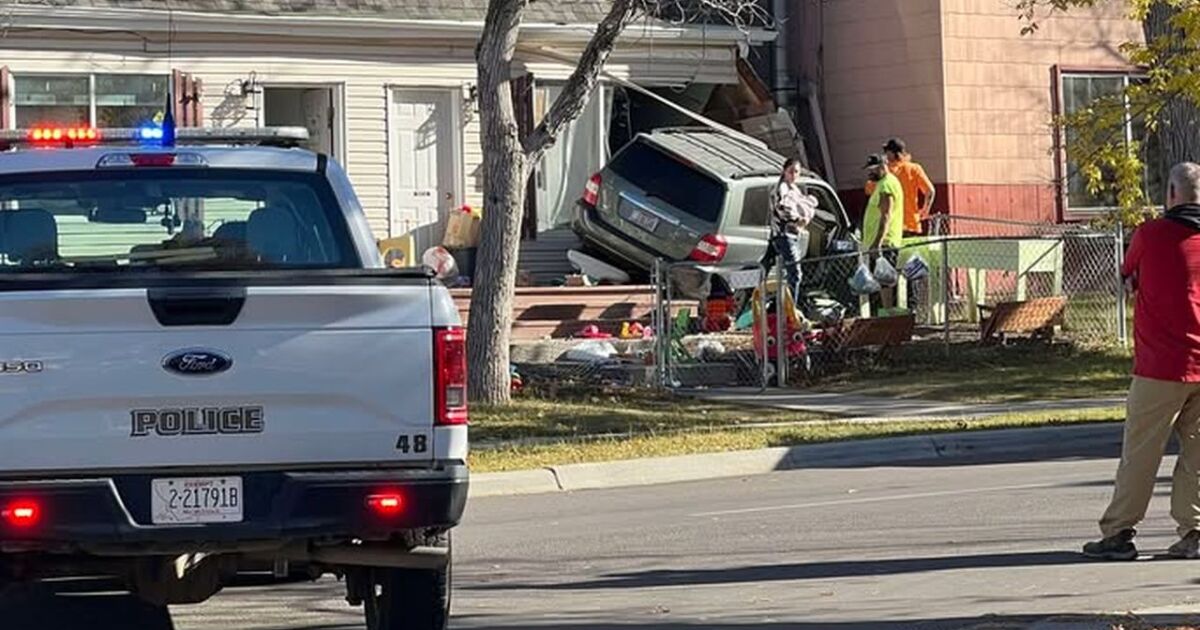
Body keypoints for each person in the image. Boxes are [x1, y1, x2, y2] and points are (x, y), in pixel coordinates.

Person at [1083, 162, 1200, 561]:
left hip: (1160, 365)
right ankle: (1194, 532)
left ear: (1171, 193)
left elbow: (1127, 276)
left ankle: (1119, 533)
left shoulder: (1150, 235)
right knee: (1197, 454)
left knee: (1141, 453)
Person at [765, 157, 817, 302]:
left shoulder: (794, 189)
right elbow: (782, 209)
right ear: (784, 171)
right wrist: (797, 220)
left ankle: (779, 307)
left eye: (797, 172)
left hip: (789, 234)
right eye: (791, 171)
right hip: (784, 234)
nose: (794, 175)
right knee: (795, 273)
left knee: (770, 273)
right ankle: (790, 309)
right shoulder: (781, 189)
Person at [865, 138, 936, 237]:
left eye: (887, 151)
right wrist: (925, 210)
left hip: (891, 227)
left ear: (893, 153)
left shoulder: (885, 172)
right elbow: (930, 191)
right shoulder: (914, 169)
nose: (885, 155)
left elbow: (868, 190)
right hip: (911, 224)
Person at [861, 153, 904, 311]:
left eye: (872, 169)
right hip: (881, 243)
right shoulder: (882, 184)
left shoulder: (886, 185)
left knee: (885, 282)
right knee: (881, 282)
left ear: (882, 166)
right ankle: (885, 313)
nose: (869, 173)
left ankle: (888, 314)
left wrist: (877, 243)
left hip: (884, 243)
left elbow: (886, 215)